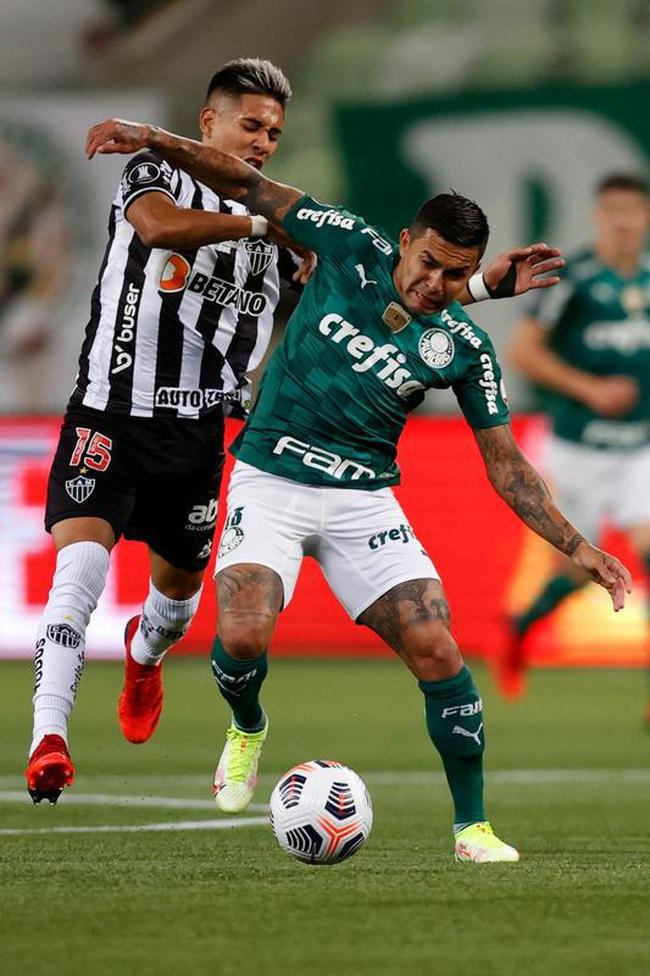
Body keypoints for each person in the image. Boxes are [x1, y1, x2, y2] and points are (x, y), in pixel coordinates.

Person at [85, 117, 631, 862]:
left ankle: (472, 828)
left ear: (471, 272)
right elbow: (246, 182)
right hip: (270, 479)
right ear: (405, 241)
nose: (436, 285)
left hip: (362, 499)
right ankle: (247, 726)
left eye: (456, 276)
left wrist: (579, 546)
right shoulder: (346, 242)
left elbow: (507, 467)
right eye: (429, 263)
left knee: (438, 648)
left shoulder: (464, 348)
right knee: (241, 635)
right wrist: (153, 137)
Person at [25, 57, 318, 804]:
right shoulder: (158, 172)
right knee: (77, 577)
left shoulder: (286, 220)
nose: (263, 142)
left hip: (196, 436)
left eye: (274, 133)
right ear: (208, 121)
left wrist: (308, 258)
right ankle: (48, 740)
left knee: (179, 600)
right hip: (109, 413)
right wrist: (266, 225)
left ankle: (145, 658)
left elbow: (341, 285)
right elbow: (157, 229)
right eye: (250, 125)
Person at [503, 173, 650, 703]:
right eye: (612, 210)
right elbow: (522, 352)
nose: (622, 221)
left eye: (631, 210)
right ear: (597, 216)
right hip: (577, 446)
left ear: (645, 217)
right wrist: (590, 388)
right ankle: (520, 628)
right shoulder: (575, 280)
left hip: (639, 447)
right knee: (576, 568)